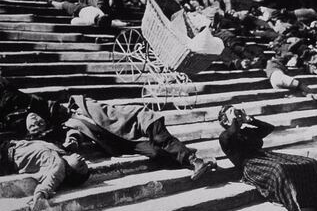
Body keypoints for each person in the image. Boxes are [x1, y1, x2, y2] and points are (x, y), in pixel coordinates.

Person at [0, 76, 214, 181]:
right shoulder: (69, 125)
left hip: (140, 120)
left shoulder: (85, 106)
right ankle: (194, 160)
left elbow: (36, 102)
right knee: (156, 152)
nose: (37, 120)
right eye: (35, 123)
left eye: (37, 118)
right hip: (124, 141)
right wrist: (71, 141)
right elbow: (70, 132)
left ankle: (195, 161)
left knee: (161, 140)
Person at [217, 105, 317, 211]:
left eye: (237, 114)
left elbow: (268, 128)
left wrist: (250, 120)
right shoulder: (224, 137)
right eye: (233, 116)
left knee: (310, 162)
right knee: (279, 169)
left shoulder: (246, 131)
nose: (237, 116)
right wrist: (232, 117)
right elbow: (232, 133)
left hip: (265, 157)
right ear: (226, 121)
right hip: (249, 165)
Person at [0, 139, 90, 211]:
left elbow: (50, 182)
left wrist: (40, 196)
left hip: (5, 158)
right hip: (8, 145)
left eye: (81, 166)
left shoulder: (58, 166)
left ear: (70, 172)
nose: (82, 159)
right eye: (85, 162)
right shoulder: (61, 151)